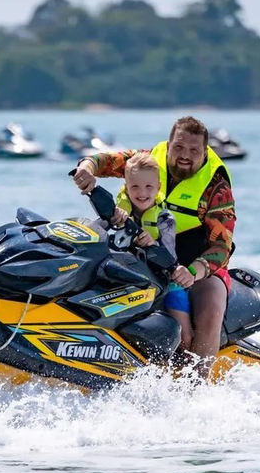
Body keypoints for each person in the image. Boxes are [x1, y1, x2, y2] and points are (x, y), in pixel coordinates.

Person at [72, 115, 235, 378]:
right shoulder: (150, 160)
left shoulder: (216, 186)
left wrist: (194, 271)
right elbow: (108, 161)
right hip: (144, 258)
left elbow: (221, 246)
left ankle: (198, 387)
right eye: (179, 147)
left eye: (194, 150)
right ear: (169, 145)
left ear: (205, 152)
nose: (185, 156)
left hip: (196, 267)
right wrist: (86, 168)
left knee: (212, 308)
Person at [110, 152, 193, 353]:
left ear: (158, 188)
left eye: (149, 187)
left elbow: (171, 258)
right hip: (130, 277)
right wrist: (114, 220)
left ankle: (186, 365)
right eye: (135, 187)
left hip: (166, 281)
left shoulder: (165, 219)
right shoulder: (118, 212)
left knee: (184, 337)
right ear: (126, 187)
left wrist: (152, 243)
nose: (142, 193)